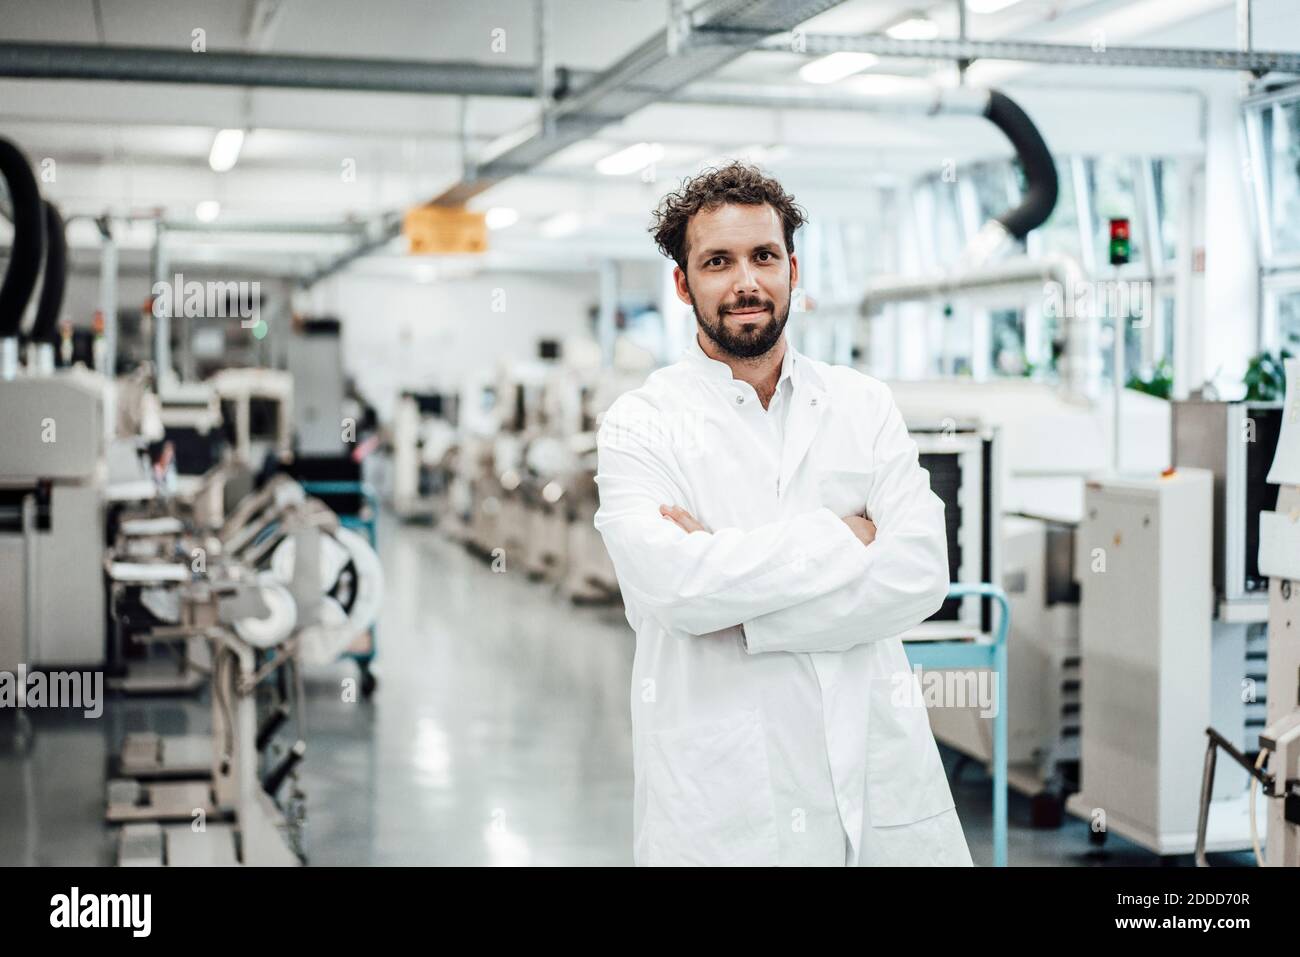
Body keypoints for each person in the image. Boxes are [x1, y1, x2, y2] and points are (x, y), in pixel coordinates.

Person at [593, 162, 973, 867]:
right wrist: (844, 537)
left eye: (764, 256)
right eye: (717, 262)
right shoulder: (642, 424)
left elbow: (921, 571)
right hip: (727, 805)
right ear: (683, 283)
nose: (746, 282)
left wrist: (745, 609)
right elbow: (675, 588)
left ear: (793, 269)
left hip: (879, 780)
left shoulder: (863, 404)